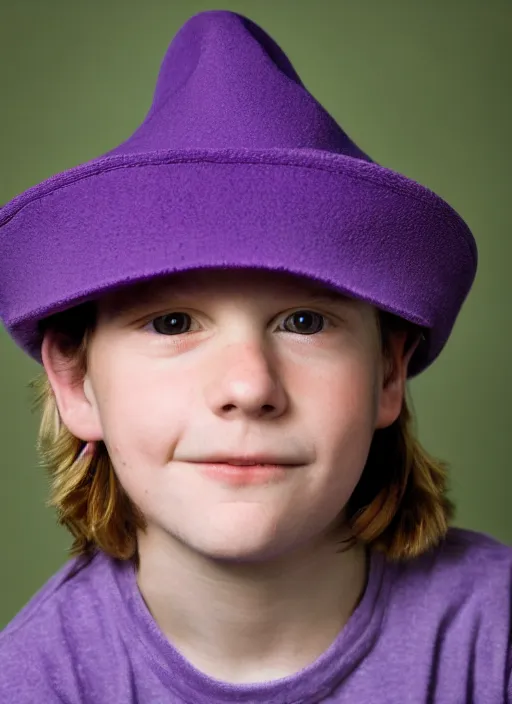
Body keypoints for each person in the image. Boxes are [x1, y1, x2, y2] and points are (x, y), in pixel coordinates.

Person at [0, 9, 510, 703]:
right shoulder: (31, 682)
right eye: (173, 322)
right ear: (76, 381)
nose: (248, 385)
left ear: (388, 372)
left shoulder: (494, 638)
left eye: (304, 321)